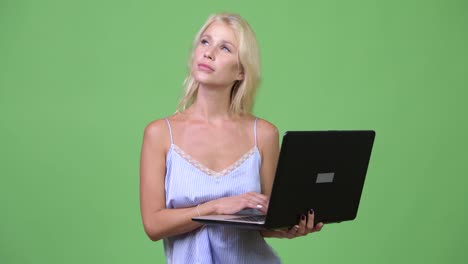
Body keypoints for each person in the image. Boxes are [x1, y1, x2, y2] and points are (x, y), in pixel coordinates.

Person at [139, 12, 324, 264]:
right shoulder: (159, 134)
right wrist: (214, 207)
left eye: (224, 48)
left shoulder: (265, 134)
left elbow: (266, 221)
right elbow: (153, 225)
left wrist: (288, 229)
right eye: (205, 42)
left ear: (240, 71)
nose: (209, 52)